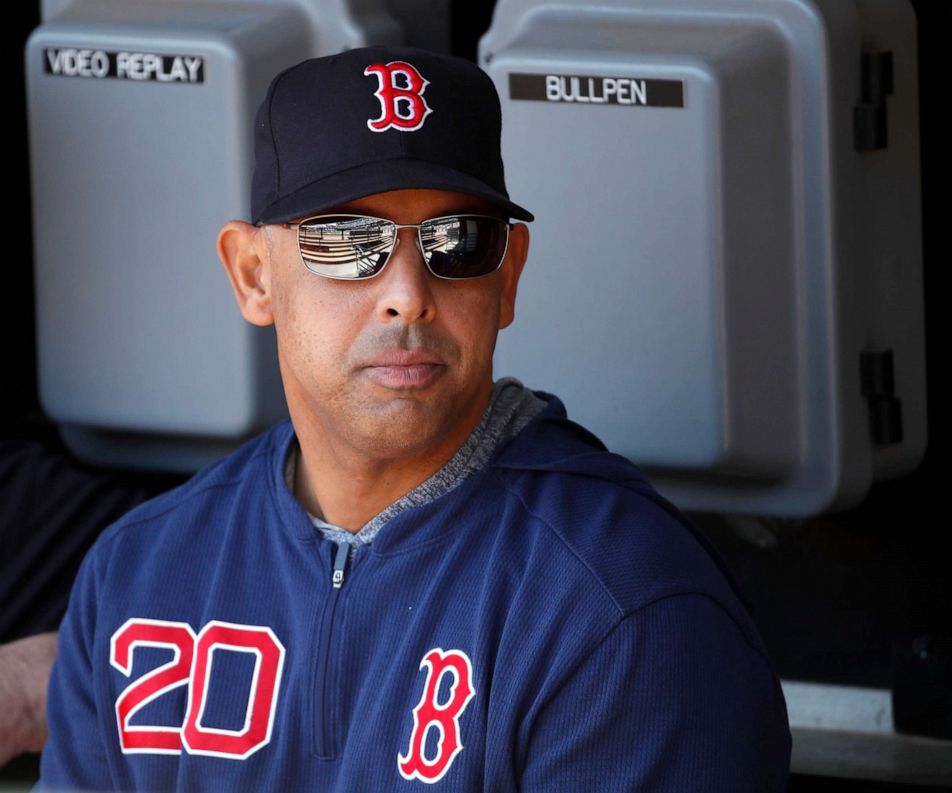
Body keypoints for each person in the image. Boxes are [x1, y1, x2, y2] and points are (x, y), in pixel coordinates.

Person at [40, 46, 791, 791]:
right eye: (347, 239)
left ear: (508, 275)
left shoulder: (620, 606)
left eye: (457, 240)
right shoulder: (138, 574)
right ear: (253, 274)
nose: (407, 292)